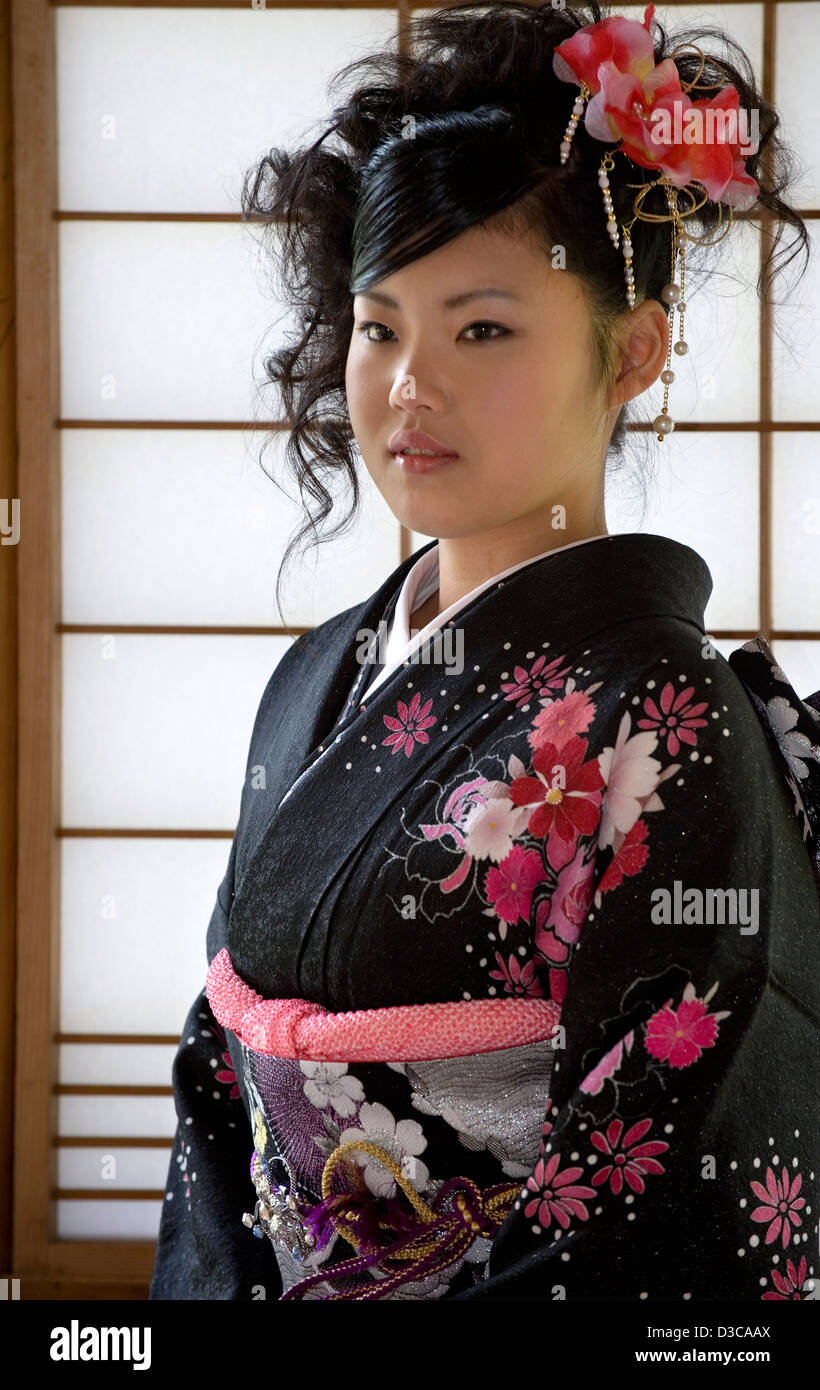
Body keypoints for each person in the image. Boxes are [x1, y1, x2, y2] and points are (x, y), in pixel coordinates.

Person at [149, 2, 820, 1301]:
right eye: (381, 323)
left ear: (632, 354)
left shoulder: (661, 719)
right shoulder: (316, 675)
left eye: (484, 327)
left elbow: (672, 1190)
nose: (410, 384)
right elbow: (221, 1079)